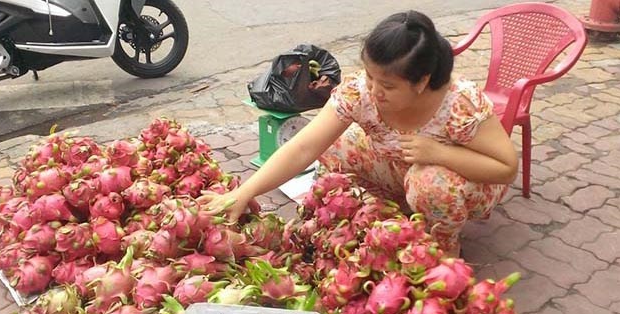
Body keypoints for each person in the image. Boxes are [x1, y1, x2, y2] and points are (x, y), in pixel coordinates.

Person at [207, 10, 518, 257]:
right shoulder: (360, 93)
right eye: (370, 76)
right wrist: (243, 192)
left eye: (388, 85)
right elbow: (304, 148)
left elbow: (505, 168)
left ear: (422, 82)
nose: (374, 91)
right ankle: (390, 213)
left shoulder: (459, 103)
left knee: (430, 185)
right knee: (337, 144)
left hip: (467, 179)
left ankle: (441, 251)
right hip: (400, 164)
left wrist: (439, 153)